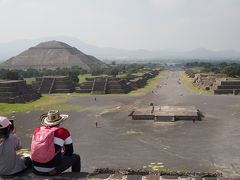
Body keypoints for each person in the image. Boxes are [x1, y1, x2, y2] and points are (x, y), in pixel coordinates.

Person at [31, 110, 81, 176]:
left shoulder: (37, 130)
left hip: (35, 169)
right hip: (51, 171)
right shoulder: (63, 132)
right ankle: (76, 177)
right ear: (59, 122)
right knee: (76, 157)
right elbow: (69, 152)